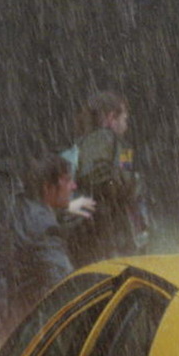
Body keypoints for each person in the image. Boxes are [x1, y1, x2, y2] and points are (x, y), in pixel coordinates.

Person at [0, 153, 94, 338]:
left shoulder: (15, 209)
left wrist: (64, 208)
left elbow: (33, 221)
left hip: (0, 319)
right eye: (67, 180)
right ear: (48, 187)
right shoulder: (46, 231)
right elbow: (63, 287)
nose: (74, 186)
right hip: (28, 330)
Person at [67, 90, 146, 266]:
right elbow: (98, 177)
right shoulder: (103, 138)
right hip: (104, 229)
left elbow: (124, 174)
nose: (126, 124)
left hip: (104, 228)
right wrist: (130, 185)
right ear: (111, 117)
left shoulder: (113, 144)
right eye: (124, 118)